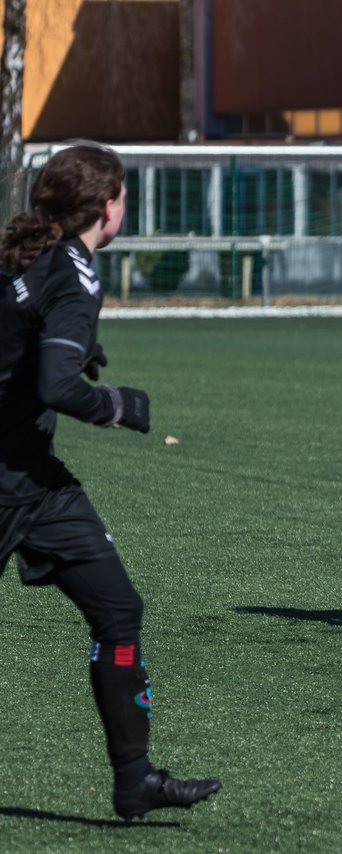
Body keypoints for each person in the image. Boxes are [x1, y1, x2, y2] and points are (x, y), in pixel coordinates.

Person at [0, 143, 220, 819]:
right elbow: (58, 385)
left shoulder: (21, 254)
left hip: (36, 481)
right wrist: (121, 406)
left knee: (119, 611)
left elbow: (26, 332)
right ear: (107, 206)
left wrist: (70, 344)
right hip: (10, 477)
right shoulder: (75, 272)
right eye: (123, 194)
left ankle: (135, 779)